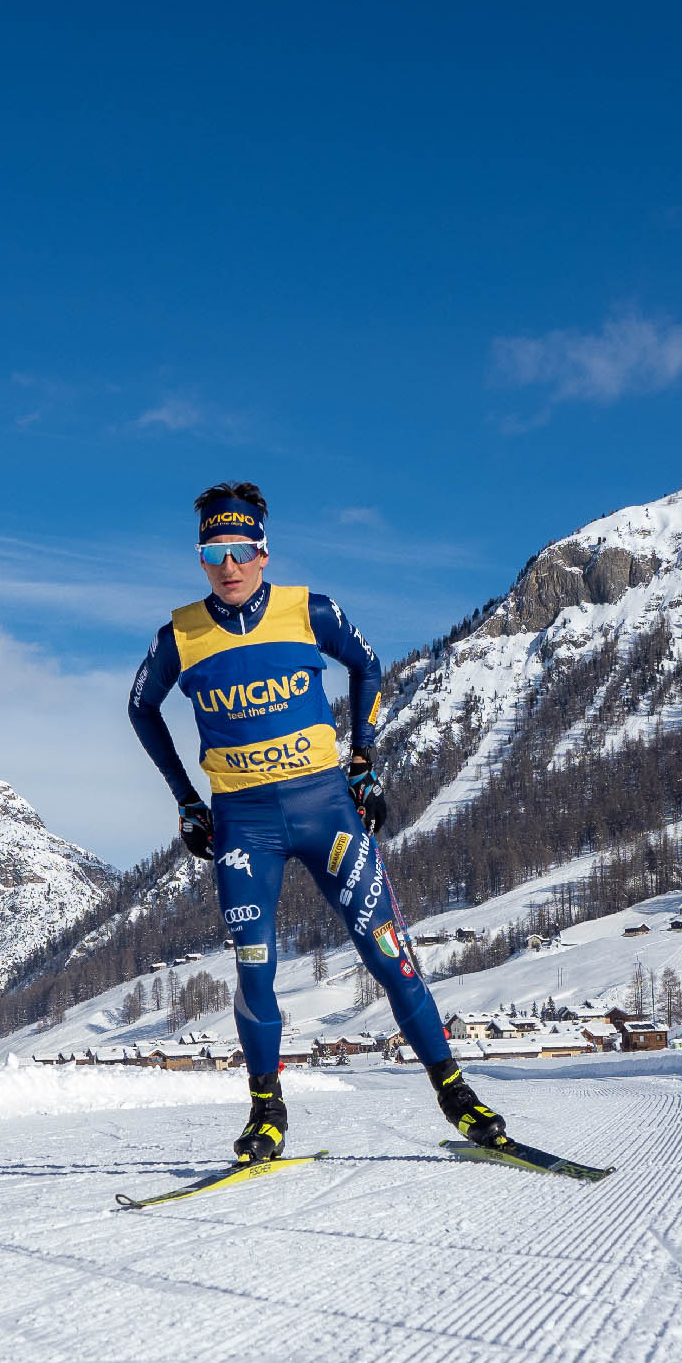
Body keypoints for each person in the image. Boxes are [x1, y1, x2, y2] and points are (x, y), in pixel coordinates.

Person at [127, 481, 512, 1164]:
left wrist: (365, 757)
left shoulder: (311, 610)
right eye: (213, 551)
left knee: (389, 955)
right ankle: (266, 1111)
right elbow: (141, 708)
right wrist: (186, 799)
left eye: (240, 548)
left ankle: (455, 1092)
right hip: (243, 827)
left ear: (262, 551)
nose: (228, 564)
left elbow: (365, 665)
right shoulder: (179, 635)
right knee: (254, 971)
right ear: (201, 558)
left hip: (327, 812)